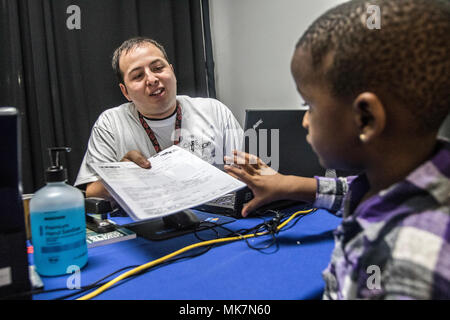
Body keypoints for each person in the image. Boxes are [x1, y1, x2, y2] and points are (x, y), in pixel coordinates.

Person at [225, 0, 450, 299]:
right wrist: (285, 184)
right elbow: (350, 189)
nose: (304, 121)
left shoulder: (407, 265)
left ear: (365, 118)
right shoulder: (412, 174)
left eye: (309, 106)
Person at [75, 37, 243, 198]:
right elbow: (92, 192)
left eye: (157, 68)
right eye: (138, 76)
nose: (152, 79)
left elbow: (249, 173)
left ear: (172, 71)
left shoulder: (214, 111)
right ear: (125, 91)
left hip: (215, 217)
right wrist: (123, 174)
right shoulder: (110, 124)